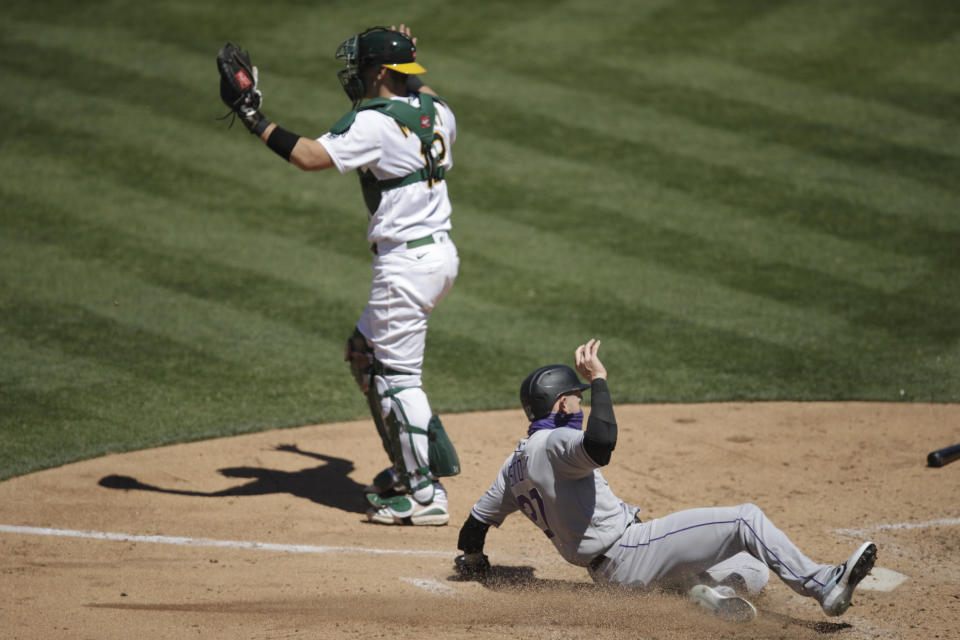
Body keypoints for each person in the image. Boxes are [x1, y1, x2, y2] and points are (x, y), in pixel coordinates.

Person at [220, 25, 459, 525]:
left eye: (360, 66)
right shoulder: (437, 112)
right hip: (435, 257)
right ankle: (405, 466)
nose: (351, 73)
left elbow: (310, 157)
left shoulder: (371, 125)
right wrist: (407, 56)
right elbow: (419, 88)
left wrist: (251, 115)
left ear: (376, 72)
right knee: (364, 354)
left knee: (398, 376)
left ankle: (424, 495)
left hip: (405, 267)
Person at [454, 339, 878, 621]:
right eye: (575, 398)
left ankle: (696, 594)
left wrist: (475, 564)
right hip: (632, 552)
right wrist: (599, 380)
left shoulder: (511, 469)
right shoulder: (554, 442)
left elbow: (472, 530)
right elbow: (602, 444)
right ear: (559, 402)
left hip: (612, 576)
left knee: (753, 569)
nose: (579, 404)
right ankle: (824, 585)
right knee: (745, 521)